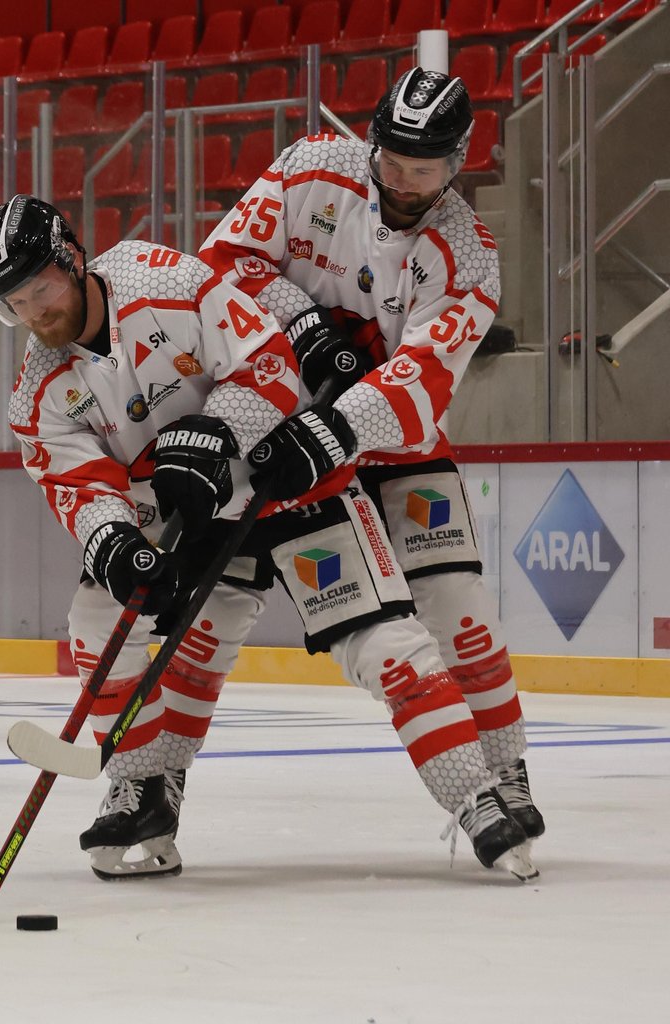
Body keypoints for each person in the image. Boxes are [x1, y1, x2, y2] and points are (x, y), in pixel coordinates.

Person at [0, 193, 534, 885]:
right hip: (192, 511)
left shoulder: (164, 281)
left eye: (41, 290)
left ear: (74, 260)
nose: (34, 314)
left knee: (384, 645)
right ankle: (142, 788)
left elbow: (270, 360)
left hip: (282, 475)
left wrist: (217, 435)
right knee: (97, 617)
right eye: (14, 305)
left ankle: (477, 798)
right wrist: (117, 544)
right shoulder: (38, 392)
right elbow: (80, 487)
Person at [198, 67, 545, 853]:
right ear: (372, 141)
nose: (402, 181)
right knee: (223, 607)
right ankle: (152, 781)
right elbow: (220, 266)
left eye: (423, 170)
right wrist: (306, 327)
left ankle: (505, 769)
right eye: (391, 160)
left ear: (457, 165)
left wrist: (338, 426)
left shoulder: (468, 254)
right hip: (284, 435)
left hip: (396, 445)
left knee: (459, 610)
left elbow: (422, 380)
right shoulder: (307, 170)